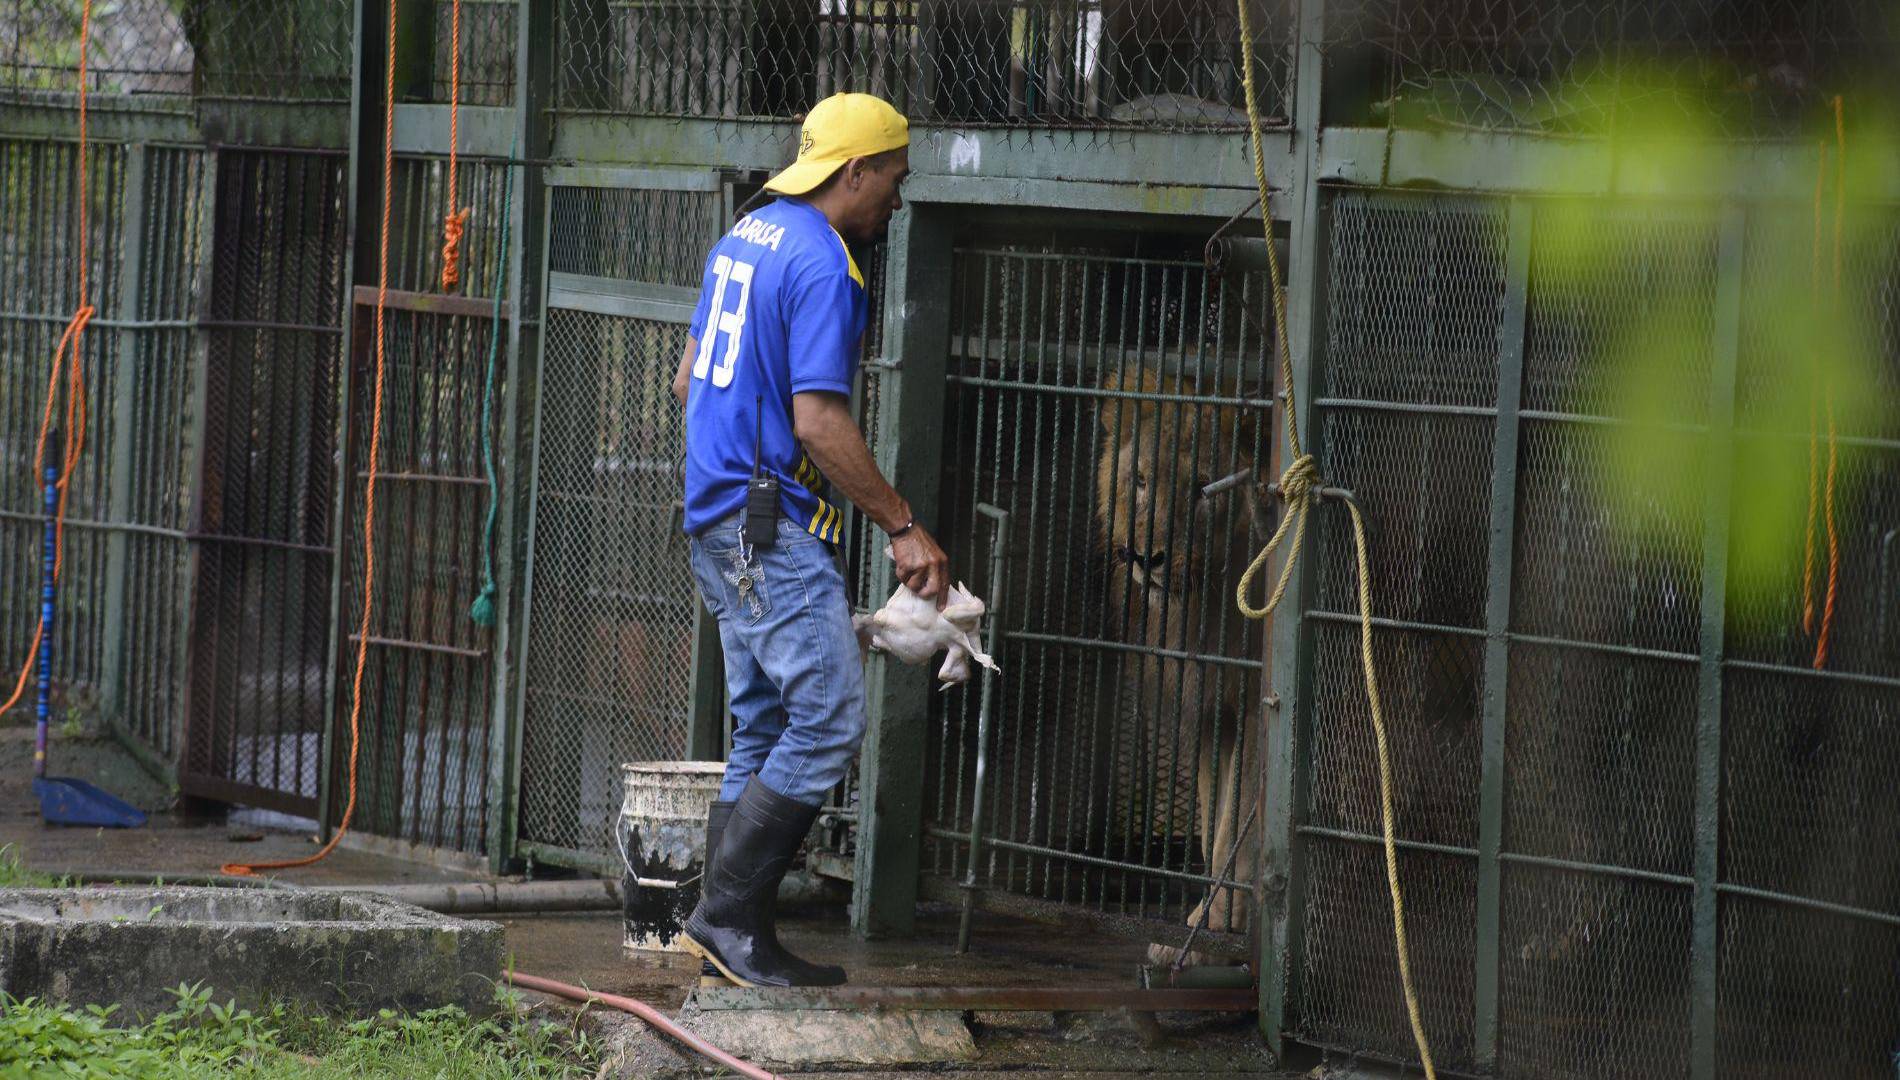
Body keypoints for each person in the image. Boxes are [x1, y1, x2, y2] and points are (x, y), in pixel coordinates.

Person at [671, 92, 951, 988]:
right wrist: (903, 527)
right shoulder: (825, 262)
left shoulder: (745, 236)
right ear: (855, 171)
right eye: (894, 181)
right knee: (828, 719)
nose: (898, 204)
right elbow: (821, 420)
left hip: (715, 516)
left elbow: (686, 382)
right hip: (767, 522)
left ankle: (716, 930)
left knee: (762, 722)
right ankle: (725, 919)